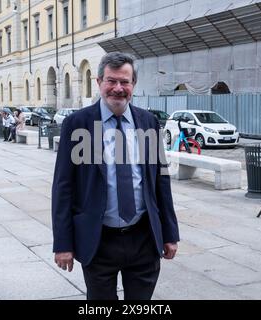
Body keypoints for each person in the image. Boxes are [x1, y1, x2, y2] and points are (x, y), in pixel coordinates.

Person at [52, 52, 179, 300]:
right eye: (111, 81)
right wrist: (63, 243)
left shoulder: (148, 122)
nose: (118, 88)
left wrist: (170, 233)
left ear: (133, 85)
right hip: (98, 240)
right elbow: (63, 188)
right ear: (99, 82)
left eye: (125, 82)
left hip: (143, 237)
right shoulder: (77, 125)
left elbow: (161, 181)